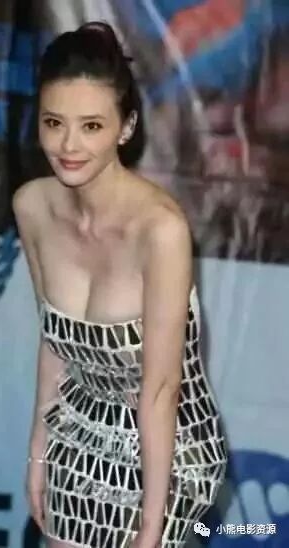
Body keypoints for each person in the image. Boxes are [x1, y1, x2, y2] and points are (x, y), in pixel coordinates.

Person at [13, 21, 227, 548]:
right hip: (79, 428)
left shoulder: (161, 231)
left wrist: (151, 530)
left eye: (91, 126)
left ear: (125, 128)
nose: (68, 145)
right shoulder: (32, 206)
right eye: (54, 123)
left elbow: (161, 390)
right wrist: (38, 453)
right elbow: (55, 342)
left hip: (167, 446)